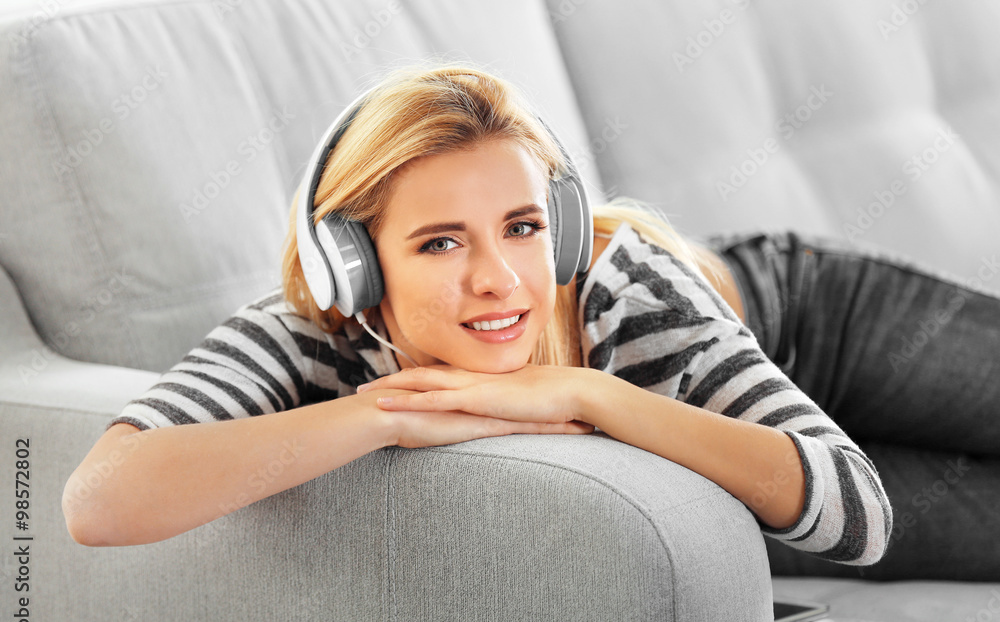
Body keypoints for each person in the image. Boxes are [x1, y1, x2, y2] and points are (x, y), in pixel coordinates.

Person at [63, 63, 901, 563]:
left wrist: (587, 393)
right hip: (751, 451)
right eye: (439, 243)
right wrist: (388, 412)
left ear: (562, 227)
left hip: (811, 318)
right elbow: (99, 502)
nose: (500, 279)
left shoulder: (626, 293)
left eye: (523, 227)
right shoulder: (313, 332)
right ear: (353, 266)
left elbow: (858, 510)